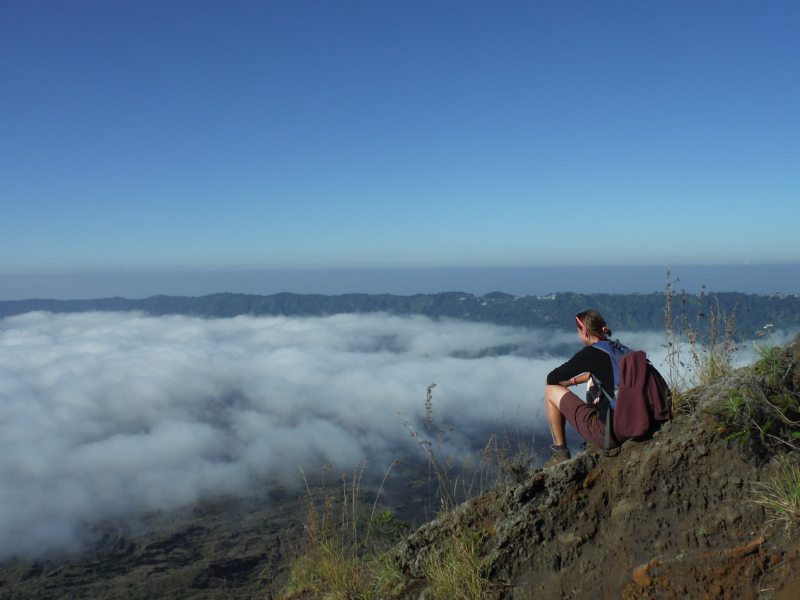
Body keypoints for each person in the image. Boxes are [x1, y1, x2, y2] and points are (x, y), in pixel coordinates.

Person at [543, 310, 630, 467]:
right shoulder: (617, 348)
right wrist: (571, 382)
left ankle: (559, 452)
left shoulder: (591, 353)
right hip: (633, 423)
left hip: (609, 434)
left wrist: (563, 382)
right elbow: (598, 373)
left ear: (585, 331)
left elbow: (552, 378)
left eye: (578, 330)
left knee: (551, 390)